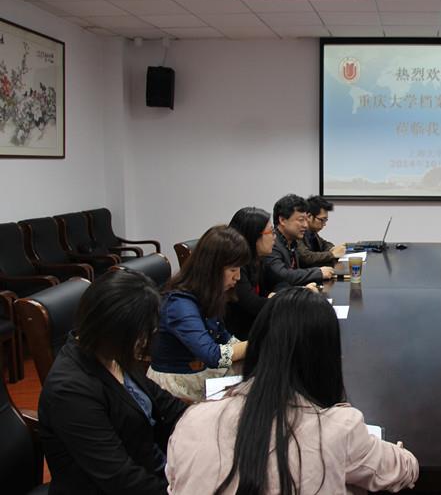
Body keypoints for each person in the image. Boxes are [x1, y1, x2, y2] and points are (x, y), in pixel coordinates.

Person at [166, 288, 419, 494]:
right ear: (326, 358)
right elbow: (405, 468)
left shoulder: (193, 420)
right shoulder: (339, 429)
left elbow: (174, 482)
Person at [39, 270, 187, 495]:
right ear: (114, 330)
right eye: (141, 335)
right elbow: (119, 478)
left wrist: (210, 422)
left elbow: (167, 405)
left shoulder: (113, 355)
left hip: (155, 467)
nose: (144, 342)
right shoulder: (70, 391)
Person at [148, 226, 249, 401]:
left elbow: (223, 337)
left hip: (200, 372)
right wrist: (255, 344)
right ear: (211, 268)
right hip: (177, 384)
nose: (238, 277)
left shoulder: (207, 294)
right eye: (233, 270)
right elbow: (212, 356)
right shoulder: (179, 304)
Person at [226, 206, 283, 339]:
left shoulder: (258, 258)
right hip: (242, 333)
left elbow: (280, 281)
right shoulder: (236, 266)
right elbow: (252, 305)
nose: (274, 237)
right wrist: (281, 300)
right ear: (253, 235)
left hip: (259, 324)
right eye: (271, 232)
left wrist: (275, 296)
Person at [265, 194, 336, 286]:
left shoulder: (292, 241)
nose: (305, 225)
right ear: (282, 220)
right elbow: (282, 276)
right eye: (301, 220)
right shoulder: (271, 244)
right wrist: (318, 272)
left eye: (306, 220)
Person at [297, 195, 347, 267]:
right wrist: (332, 254)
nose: (324, 224)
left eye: (325, 220)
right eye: (322, 220)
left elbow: (324, 244)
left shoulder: (312, 232)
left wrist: (333, 249)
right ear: (309, 216)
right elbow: (306, 256)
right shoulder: (297, 232)